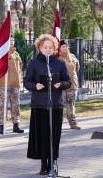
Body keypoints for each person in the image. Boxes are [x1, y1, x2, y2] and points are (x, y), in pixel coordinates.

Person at [24, 34, 71, 175]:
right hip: (39, 105)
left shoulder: (60, 63)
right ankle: (43, 164)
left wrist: (60, 84)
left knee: (54, 136)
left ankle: (53, 163)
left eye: (51, 47)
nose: (48, 50)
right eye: (45, 47)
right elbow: (26, 82)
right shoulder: (33, 63)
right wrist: (35, 85)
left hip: (55, 105)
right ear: (39, 48)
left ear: (55, 48)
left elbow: (68, 82)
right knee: (42, 135)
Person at [0, 36, 24, 134]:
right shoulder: (2, 53)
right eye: (10, 41)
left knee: (16, 105)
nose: (12, 42)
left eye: (13, 41)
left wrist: (19, 80)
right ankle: (1, 125)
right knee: (2, 105)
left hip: (15, 83)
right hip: (4, 83)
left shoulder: (16, 54)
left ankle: (16, 125)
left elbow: (20, 67)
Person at [59, 40, 81, 130]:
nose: (65, 48)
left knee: (71, 105)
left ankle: (73, 123)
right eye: (63, 46)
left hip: (72, 85)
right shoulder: (58, 58)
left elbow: (77, 68)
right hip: (62, 86)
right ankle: (57, 124)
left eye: (66, 46)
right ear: (60, 48)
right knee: (60, 105)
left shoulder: (73, 57)